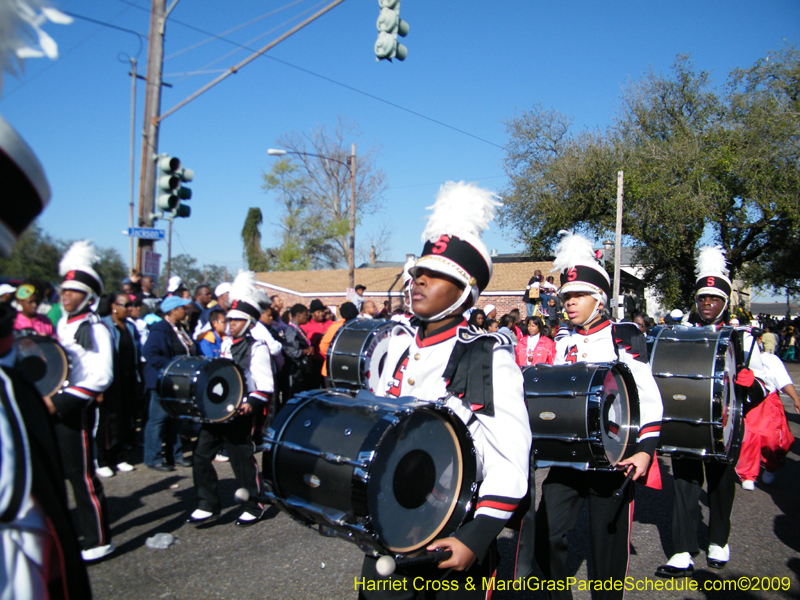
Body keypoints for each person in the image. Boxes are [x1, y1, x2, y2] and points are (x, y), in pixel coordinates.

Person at [358, 181, 531, 599]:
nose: (419, 280)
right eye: (419, 271)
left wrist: (478, 534)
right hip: (385, 524)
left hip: (450, 532)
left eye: (437, 275)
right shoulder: (392, 345)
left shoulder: (486, 357)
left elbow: (511, 456)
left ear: (465, 291)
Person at [527, 232, 663, 597]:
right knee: (547, 533)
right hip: (568, 459)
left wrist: (645, 450)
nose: (568, 303)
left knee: (608, 547)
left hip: (614, 458)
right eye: (566, 296)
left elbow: (649, 398)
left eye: (576, 296)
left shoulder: (623, 338)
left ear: (599, 299)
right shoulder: (562, 341)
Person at [655, 246, 767, 578]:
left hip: (726, 425)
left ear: (724, 302)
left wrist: (750, 384)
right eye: (703, 298)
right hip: (687, 420)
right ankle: (681, 549)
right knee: (685, 484)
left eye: (714, 299)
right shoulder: (681, 334)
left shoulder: (742, 339)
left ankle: (719, 540)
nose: (707, 304)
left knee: (720, 485)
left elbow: (762, 389)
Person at [186, 272, 269, 526]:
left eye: (236, 321)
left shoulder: (258, 347)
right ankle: (207, 503)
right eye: (229, 320)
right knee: (200, 454)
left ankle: (254, 504)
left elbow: (265, 386)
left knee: (241, 458)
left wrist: (249, 404)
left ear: (248, 323)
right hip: (217, 410)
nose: (230, 324)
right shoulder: (224, 344)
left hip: (241, 411)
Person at [53, 240, 116, 562]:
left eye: (75, 291)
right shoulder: (62, 324)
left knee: (82, 477)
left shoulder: (96, 329)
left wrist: (61, 403)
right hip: (51, 405)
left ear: (89, 296)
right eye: (64, 290)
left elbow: (101, 376)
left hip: (75, 410)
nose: (67, 296)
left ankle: (98, 540)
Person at [142, 296, 195, 472]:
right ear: (173, 310)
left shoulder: (179, 328)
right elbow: (149, 353)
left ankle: (176, 455)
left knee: (175, 418)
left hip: (177, 380)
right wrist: (170, 367)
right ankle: (153, 457)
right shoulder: (160, 329)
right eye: (183, 308)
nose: (186, 311)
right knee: (157, 419)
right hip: (162, 380)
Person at [735, 350, 796, 486]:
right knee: (747, 440)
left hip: (768, 402)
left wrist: (796, 399)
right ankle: (748, 476)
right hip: (745, 405)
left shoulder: (770, 359)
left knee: (772, 440)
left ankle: (770, 467)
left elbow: (783, 380)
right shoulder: (735, 357)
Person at [97, 292, 141, 477]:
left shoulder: (130, 327)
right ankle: (102, 459)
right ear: (114, 307)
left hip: (128, 379)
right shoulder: (103, 326)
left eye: (130, 305)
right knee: (108, 421)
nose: (129, 308)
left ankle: (119, 456)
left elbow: (136, 354)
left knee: (124, 419)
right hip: (111, 381)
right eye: (126, 305)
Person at [320, 301, 360, 378]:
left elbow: (323, 347)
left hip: (333, 367)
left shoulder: (334, 327)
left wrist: (333, 355)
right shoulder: (360, 326)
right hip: (354, 367)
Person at [283, 304, 314, 400]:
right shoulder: (291, 331)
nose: (307, 317)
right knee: (295, 395)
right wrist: (306, 351)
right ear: (299, 315)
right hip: (294, 370)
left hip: (301, 369)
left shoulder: (298, 329)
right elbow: (292, 352)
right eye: (306, 314)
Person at [301, 299, 331, 389]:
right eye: (318, 312)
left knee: (328, 388)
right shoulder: (306, 325)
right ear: (312, 313)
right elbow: (305, 341)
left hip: (327, 361)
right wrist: (316, 338)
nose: (321, 314)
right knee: (314, 387)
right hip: (314, 362)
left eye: (322, 311)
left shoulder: (329, 323)